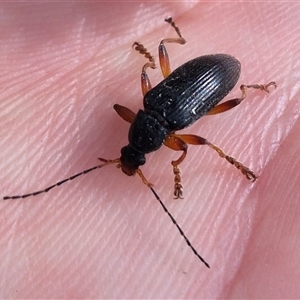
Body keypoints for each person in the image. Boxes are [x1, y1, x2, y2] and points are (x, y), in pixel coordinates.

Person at [1, 2, 298, 298]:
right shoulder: (151, 106)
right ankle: (184, 45)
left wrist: (177, 167)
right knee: (156, 61)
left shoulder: (167, 122)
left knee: (212, 125)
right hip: (207, 77)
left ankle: (248, 89)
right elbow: (128, 108)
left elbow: (181, 143)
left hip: (219, 75)